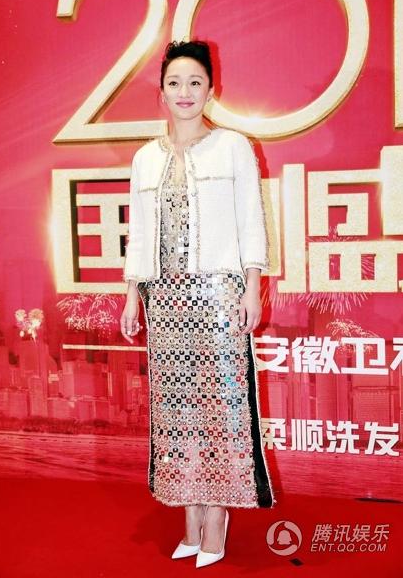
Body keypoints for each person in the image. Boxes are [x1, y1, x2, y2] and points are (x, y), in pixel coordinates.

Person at [120, 40, 276, 568]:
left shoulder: (232, 147)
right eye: (174, 83)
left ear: (212, 89)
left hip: (217, 294)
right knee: (177, 412)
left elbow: (251, 219)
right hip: (165, 299)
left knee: (219, 410)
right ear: (161, 93)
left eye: (195, 82)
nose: (184, 92)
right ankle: (189, 518)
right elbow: (139, 233)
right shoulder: (145, 158)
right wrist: (132, 295)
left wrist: (252, 286)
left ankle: (216, 519)